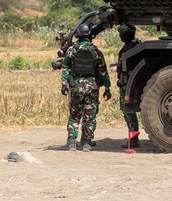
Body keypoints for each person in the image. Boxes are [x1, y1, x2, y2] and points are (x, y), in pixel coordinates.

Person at [59, 23, 111, 151]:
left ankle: (72, 142)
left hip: (76, 86)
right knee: (90, 116)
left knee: (75, 115)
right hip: (92, 87)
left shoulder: (71, 50)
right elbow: (103, 71)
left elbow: (65, 68)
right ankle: (86, 143)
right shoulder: (96, 51)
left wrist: (64, 84)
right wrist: (107, 87)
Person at [116, 24, 142, 148]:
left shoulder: (135, 47)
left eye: (121, 33)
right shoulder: (127, 47)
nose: (120, 35)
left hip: (131, 84)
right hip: (124, 82)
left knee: (129, 111)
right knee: (126, 112)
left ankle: (134, 139)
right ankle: (133, 137)